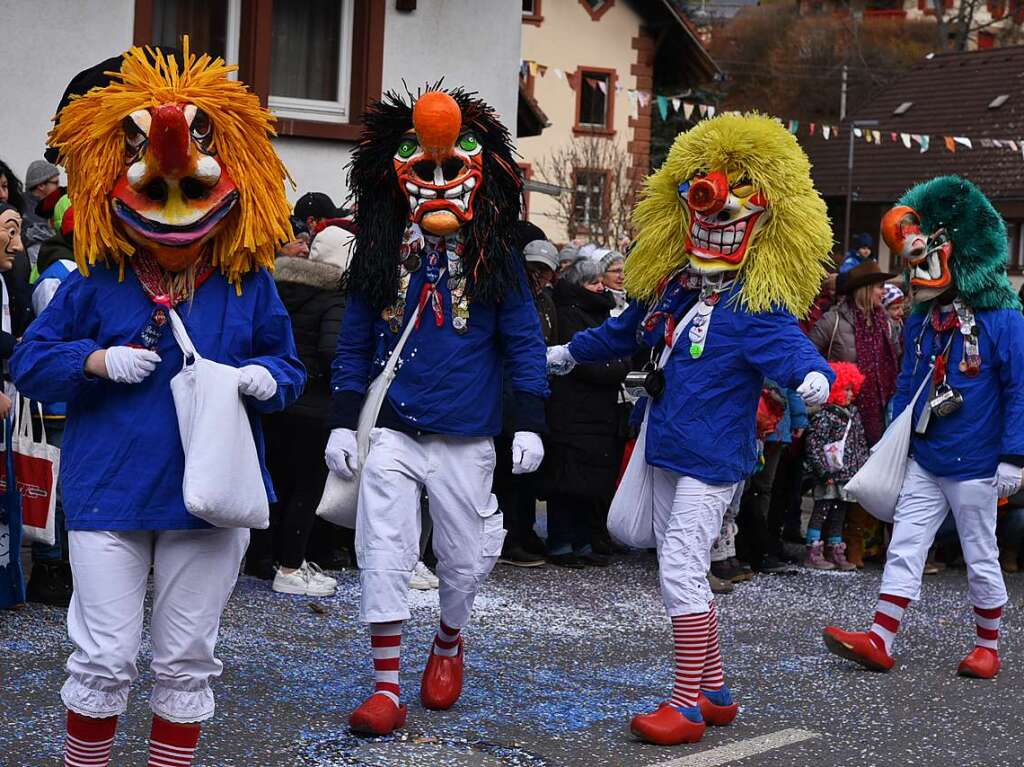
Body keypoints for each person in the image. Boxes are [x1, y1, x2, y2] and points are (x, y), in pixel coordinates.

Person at [11, 43, 305, 767]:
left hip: (207, 500)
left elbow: (290, 367)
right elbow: (29, 362)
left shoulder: (248, 282)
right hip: (110, 491)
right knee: (105, 658)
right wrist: (94, 359)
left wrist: (263, 377)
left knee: (184, 660)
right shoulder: (95, 280)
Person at [547, 114, 834, 746]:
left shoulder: (753, 307)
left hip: (712, 457)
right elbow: (623, 332)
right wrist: (571, 352)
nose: (711, 207)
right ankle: (717, 691)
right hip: (666, 445)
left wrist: (813, 377)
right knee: (679, 563)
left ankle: (686, 703)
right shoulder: (674, 292)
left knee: (679, 567)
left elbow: (791, 346)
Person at [326, 89, 548, 736]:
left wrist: (529, 417)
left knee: (465, 555)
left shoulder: (497, 254)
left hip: (468, 434)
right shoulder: (380, 251)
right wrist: (344, 416)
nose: (441, 184)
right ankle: (387, 686)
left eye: (453, 170)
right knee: (385, 547)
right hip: (394, 429)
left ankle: (449, 637)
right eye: (427, 170)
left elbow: (524, 339)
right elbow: (355, 336)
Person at [823, 175, 1024, 681]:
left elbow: (1021, 388)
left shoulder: (1004, 319)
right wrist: (899, 436)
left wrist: (1014, 457)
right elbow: (908, 383)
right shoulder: (922, 320)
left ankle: (987, 646)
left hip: (977, 462)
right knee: (905, 544)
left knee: (981, 553)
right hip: (926, 456)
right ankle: (880, 637)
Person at [260, 225, 352, 596]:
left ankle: (265, 558)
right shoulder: (336, 298)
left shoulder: (278, 287)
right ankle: (291, 565)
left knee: (276, 481)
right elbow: (334, 352)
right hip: (314, 404)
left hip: (275, 398)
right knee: (307, 487)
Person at [808, 260, 899, 567]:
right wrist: (824, 392)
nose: (881, 291)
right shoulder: (833, 321)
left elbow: (895, 362)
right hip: (840, 418)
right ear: (863, 290)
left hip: (878, 413)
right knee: (842, 482)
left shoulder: (885, 323)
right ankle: (841, 543)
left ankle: (861, 544)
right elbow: (808, 356)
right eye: (877, 286)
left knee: (874, 479)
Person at [543, 257, 629, 568]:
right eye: (593, 283)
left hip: (599, 412)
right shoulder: (569, 314)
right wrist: (614, 367)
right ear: (580, 285)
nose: (600, 287)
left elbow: (620, 357)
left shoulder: (601, 314)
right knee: (567, 479)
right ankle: (561, 541)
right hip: (573, 410)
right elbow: (587, 364)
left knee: (590, 481)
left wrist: (615, 366)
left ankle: (581, 539)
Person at [24, 195, 77, 607]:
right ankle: (49, 565)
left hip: (82, 397)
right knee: (52, 482)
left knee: (71, 483)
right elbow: (51, 339)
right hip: (60, 398)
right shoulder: (58, 273)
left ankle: (65, 564)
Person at [496, 235, 559, 568]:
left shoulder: (546, 304)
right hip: (506, 394)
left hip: (533, 391)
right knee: (505, 475)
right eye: (533, 269)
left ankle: (522, 531)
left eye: (544, 271)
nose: (539, 277)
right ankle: (507, 536)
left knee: (526, 476)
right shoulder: (511, 300)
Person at [803, 362, 868, 571]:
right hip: (829, 473)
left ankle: (834, 549)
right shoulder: (826, 415)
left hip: (846, 473)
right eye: (846, 389)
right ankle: (813, 550)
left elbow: (859, 444)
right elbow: (813, 443)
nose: (850, 394)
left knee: (839, 512)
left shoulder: (853, 414)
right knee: (822, 510)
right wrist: (822, 470)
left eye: (852, 389)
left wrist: (861, 468)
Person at [22, 159, 61, 269]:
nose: (59, 187)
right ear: (41, 186)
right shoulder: (27, 216)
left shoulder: (46, 208)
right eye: (55, 183)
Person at [600, 249, 627, 315]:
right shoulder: (598, 308)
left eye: (624, 271)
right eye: (616, 271)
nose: (622, 277)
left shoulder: (631, 303)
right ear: (601, 274)